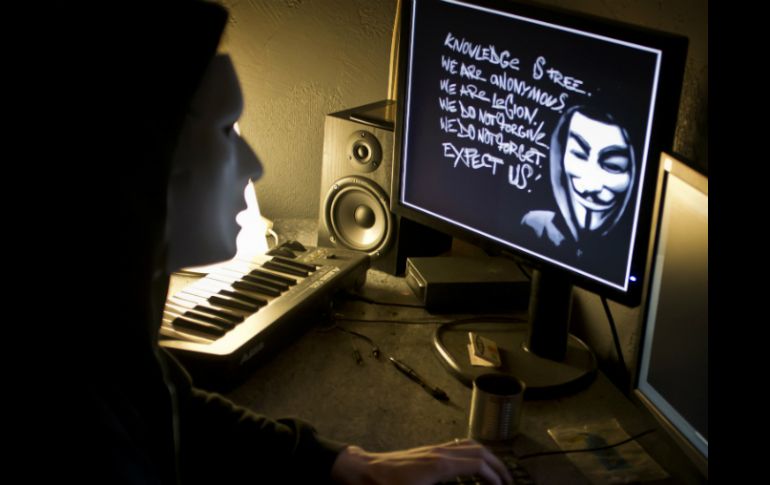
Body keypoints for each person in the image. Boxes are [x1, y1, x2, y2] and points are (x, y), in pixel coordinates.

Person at [70, 2, 512, 484]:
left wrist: (343, 463)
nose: (253, 166)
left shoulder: (106, 325)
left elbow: (165, 402)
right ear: (140, 160)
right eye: (224, 130)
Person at [521, 105, 636, 262]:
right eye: (579, 154)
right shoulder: (536, 225)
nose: (590, 186)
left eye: (613, 165)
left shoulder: (623, 255)